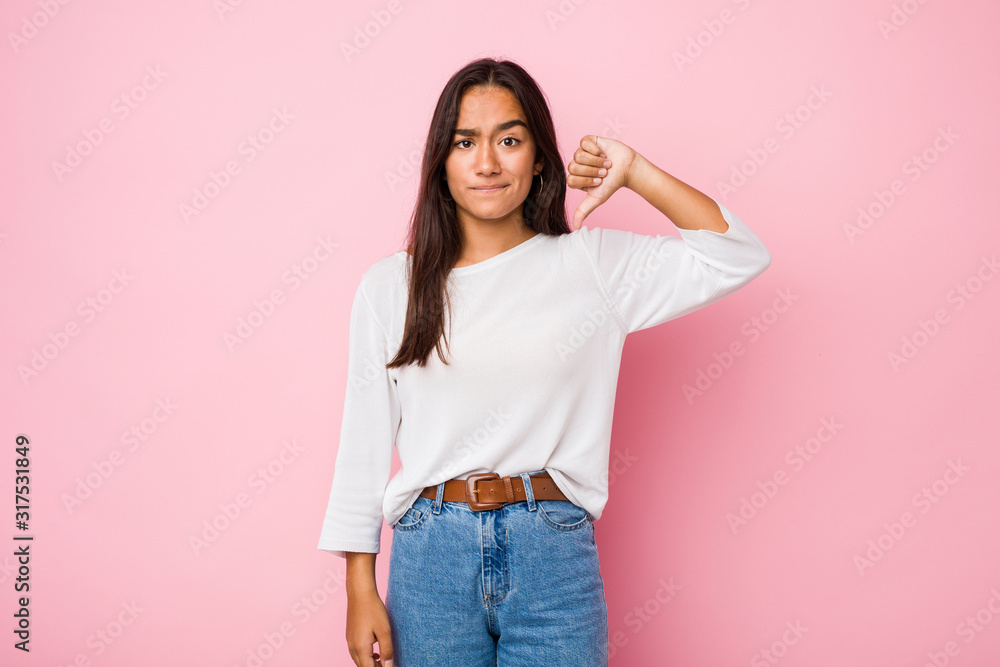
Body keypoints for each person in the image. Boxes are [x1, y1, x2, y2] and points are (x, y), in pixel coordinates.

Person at [317, 57, 772, 666]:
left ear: (538, 159)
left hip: (552, 553)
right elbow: (362, 447)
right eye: (465, 142)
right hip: (430, 558)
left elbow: (738, 256)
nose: (486, 162)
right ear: (440, 162)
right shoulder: (390, 287)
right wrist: (359, 587)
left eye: (509, 140)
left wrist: (635, 172)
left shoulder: (591, 266)